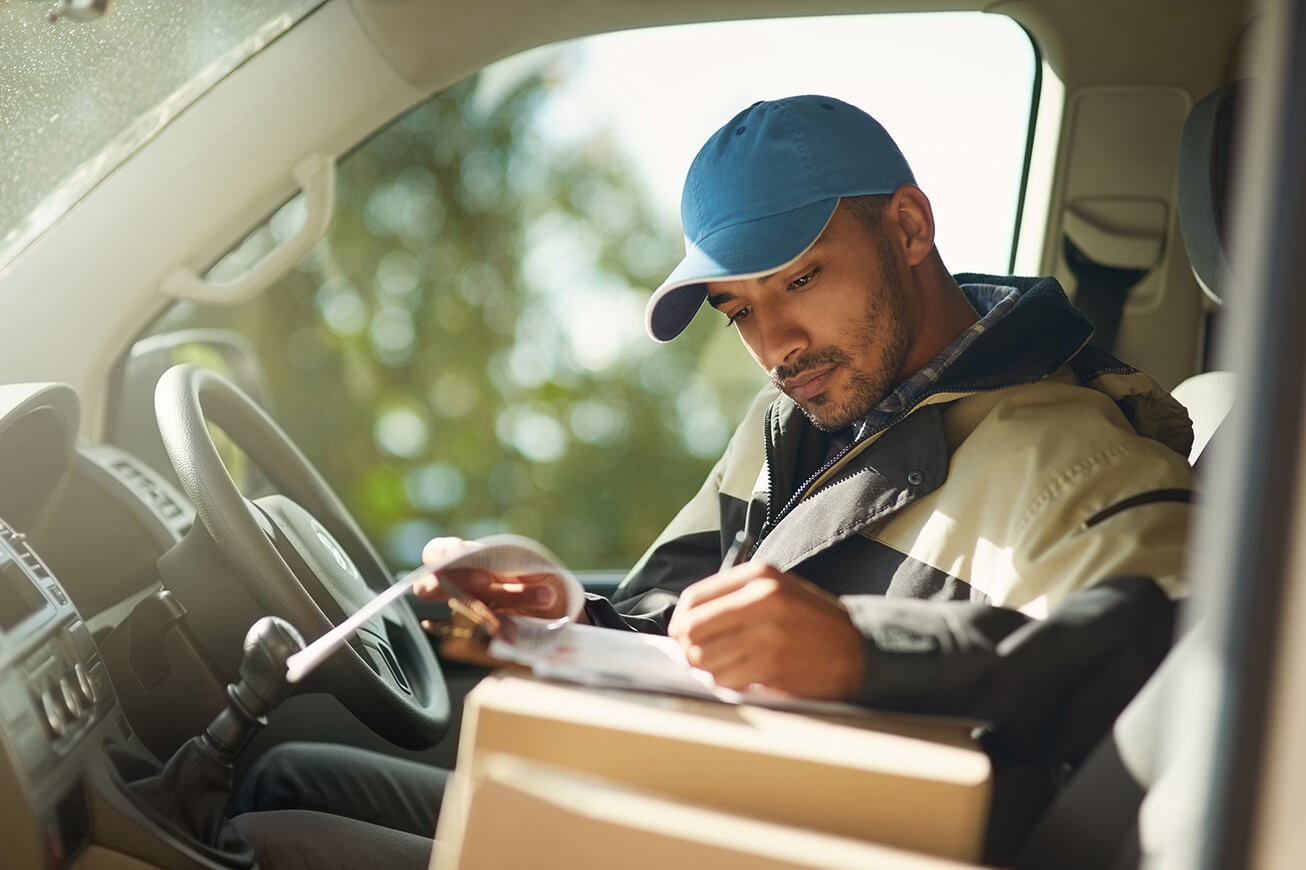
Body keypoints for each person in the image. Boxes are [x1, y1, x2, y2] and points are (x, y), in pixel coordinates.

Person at [230, 95, 1194, 868]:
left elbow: (1179, 658)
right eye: (738, 311)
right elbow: (669, 623)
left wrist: (867, 650)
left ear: (907, 227)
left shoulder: (1076, 456)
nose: (775, 346)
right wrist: (565, 616)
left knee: (267, 845)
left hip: (809, 839)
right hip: (692, 787)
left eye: (801, 280)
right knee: (287, 775)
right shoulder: (796, 421)